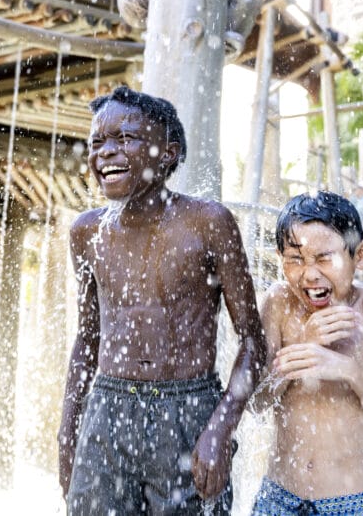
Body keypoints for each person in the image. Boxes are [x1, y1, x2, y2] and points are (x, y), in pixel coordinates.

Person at [58, 86, 267, 515]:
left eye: (125, 139)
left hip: (187, 409)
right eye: (98, 142)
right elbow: (87, 340)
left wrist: (220, 430)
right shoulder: (87, 232)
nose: (105, 153)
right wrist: (69, 430)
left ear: (168, 153)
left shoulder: (208, 223)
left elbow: (253, 342)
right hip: (107, 408)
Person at [251, 191, 363, 516]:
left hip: (349, 505)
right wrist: (304, 347)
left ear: (361, 255)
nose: (309, 274)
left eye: (324, 258)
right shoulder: (279, 303)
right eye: (295, 259)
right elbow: (257, 401)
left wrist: (349, 371)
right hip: (278, 498)